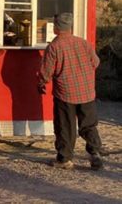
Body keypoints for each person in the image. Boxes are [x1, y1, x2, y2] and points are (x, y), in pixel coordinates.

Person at [37, 12, 103, 171]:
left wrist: (41, 83)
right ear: (70, 27)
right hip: (87, 92)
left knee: (65, 127)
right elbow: (96, 62)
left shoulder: (54, 46)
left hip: (65, 94)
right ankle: (95, 154)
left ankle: (65, 159)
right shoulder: (84, 43)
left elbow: (46, 72)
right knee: (88, 125)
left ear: (56, 27)